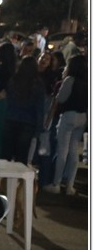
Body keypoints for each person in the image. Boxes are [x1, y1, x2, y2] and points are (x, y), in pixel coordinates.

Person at [48, 55, 86, 195]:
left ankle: (56, 183)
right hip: (83, 117)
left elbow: (61, 98)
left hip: (68, 115)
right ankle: (70, 185)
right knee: (73, 151)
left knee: (62, 150)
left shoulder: (70, 80)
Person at [2, 55, 45, 164]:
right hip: (28, 122)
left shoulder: (13, 81)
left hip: (11, 118)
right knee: (22, 155)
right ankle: (19, 175)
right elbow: (39, 108)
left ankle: (3, 174)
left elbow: (7, 101)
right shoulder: (38, 84)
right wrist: (39, 128)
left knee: (6, 153)